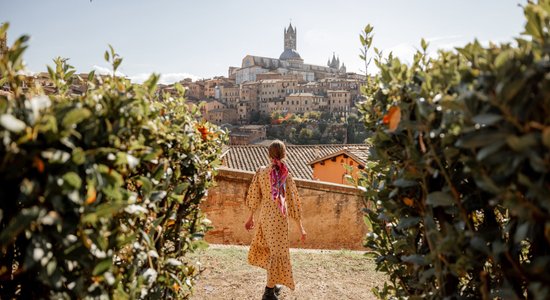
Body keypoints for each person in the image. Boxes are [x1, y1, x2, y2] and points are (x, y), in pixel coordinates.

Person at [244, 140, 307, 300]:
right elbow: (293, 203)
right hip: (279, 219)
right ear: (284, 154)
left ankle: (273, 283)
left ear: (269, 154)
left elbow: (253, 195)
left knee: (271, 251)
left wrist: (250, 217)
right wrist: (301, 228)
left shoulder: (260, 172)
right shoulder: (286, 175)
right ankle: (268, 292)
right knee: (277, 253)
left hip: (265, 217)